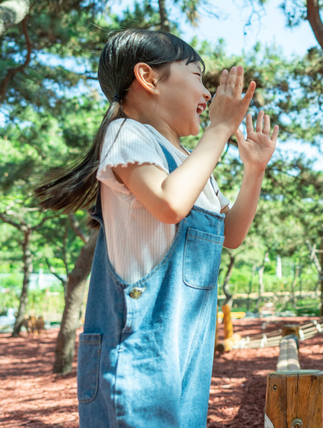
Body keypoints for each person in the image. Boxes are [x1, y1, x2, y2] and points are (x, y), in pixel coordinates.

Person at [35, 29, 278, 427]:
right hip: (137, 356)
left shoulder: (191, 163)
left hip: (186, 358)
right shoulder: (127, 133)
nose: (208, 91)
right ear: (147, 78)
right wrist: (219, 129)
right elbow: (169, 204)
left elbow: (230, 235)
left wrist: (254, 170)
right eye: (197, 76)